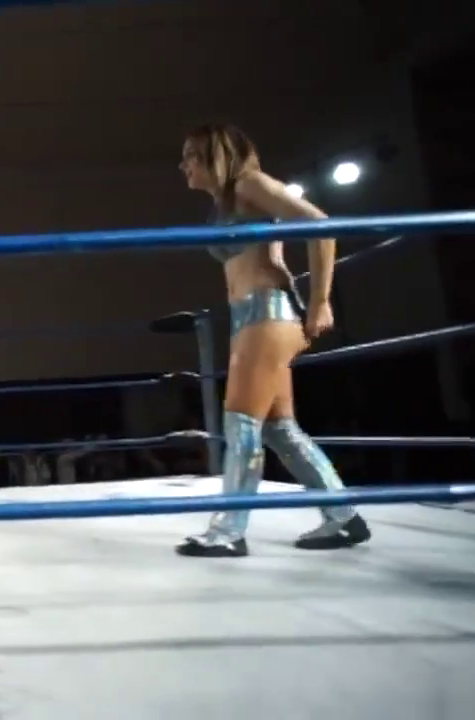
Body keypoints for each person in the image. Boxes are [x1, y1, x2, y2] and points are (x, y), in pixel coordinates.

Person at [174, 122, 371, 558]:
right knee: (279, 429)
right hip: (250, 315)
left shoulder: (250, 183)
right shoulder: (226, 201)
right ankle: (343, 517)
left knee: (241, 422)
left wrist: (320, 301)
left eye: (190, 155)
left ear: (215, 155)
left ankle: (228, 532)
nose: (182, 164)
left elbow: (319, 223)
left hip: (268, 312)